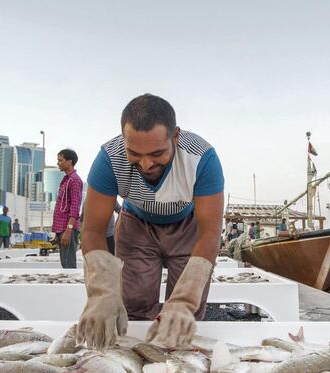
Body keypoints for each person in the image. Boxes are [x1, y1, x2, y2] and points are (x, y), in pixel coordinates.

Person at [78, 93, 224, 350]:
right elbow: (92, 230)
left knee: (185, 309)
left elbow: (210, 233)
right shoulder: (109, 159)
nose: (146, 164)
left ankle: (178, 359)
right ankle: (138, 357)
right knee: (134, 300)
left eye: (157, 153)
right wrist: (101, 290)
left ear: (175, 136)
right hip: (136, 225)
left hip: (189, 227)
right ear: (123, 140)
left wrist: (185, 301)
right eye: (134, 153)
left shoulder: (202, 158)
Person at [52, 149, 83, 269]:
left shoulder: (75, 180)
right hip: (62, 229)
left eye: (60, 160)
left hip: (67, 229)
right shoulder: (66, 180)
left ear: (69, 162)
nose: (58, 163)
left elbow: (75, 208)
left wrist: (68, 231)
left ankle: (71, 288)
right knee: (65, 264)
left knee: (68, 266)